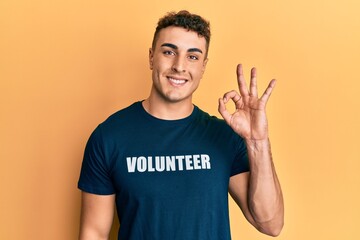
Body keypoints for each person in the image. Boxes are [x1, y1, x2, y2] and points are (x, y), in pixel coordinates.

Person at [78, 10, 284, 240]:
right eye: (169, 52)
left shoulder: (224, 136)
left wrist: (258, 142)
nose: (179, 66)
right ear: (151, 57)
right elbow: (93, 232)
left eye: (192, 57)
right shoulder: (109, 137)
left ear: (203, 67)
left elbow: (270, 224)